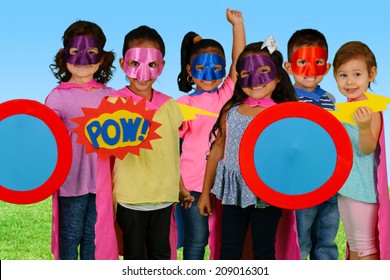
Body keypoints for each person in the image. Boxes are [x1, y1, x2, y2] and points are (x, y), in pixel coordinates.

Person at [198, 38, 298, 259]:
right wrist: (205, 193)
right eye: (246, 73)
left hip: (266, 192)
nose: (255, 80)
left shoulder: (283, 115)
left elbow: (292, 156)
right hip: (233, 192)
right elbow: (217, 149)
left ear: (278, 76)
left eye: (263, 70)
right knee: (229, 251)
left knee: (264, 251)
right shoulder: (231, 111)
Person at [96, 25, 186, 260]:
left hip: (164, 196)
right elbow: (104, 150)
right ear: (124, 63)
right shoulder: (113, 102)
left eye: (152, 64)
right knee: (134, 256)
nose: (142, 73)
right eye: (135, 63)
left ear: (162, 66)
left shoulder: (169, 105)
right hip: (130, 197)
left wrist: (181, 186)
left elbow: (171, 151)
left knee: (160, 255)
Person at [176, 8, 246, 260]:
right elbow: (172, 144)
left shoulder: (227, 94)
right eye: (201, 68)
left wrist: (237, 25)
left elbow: (240, 63)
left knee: (223, 240)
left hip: (225, 182)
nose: (208, 76)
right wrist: (180, 186)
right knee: (197, 240)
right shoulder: (184, 103)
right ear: (189, 70)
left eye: (216, 68)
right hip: (193, 184)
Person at [45, 20, 115, 260]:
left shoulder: (110, 96)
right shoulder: (57, 97)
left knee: (93, 236)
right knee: (70, 234)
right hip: (70, 180)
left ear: (102, 58)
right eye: (75, 52)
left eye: (92, 53)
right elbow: (47, 139)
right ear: (64, 56)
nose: (83, 60)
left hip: (102, 180)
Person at [283, 28, 339, 260]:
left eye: (318, 62)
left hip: (330, 180)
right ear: (289, 67)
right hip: (301, 182)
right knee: (301, 239)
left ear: (326, 67)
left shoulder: (330, 100)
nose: (310, 70)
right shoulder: (286, 100)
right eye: (303, 61)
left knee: (326, 238)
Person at [333, 41, 390, 260]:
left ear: (371, 74)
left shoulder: (370, 109)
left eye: (357, 74)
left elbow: (368, 148)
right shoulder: (347, 107)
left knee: (366, 248)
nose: (349, 82)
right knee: (355, 246)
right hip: (347, 188)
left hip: (363, 191)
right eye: (343, 75)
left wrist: (365, 126)